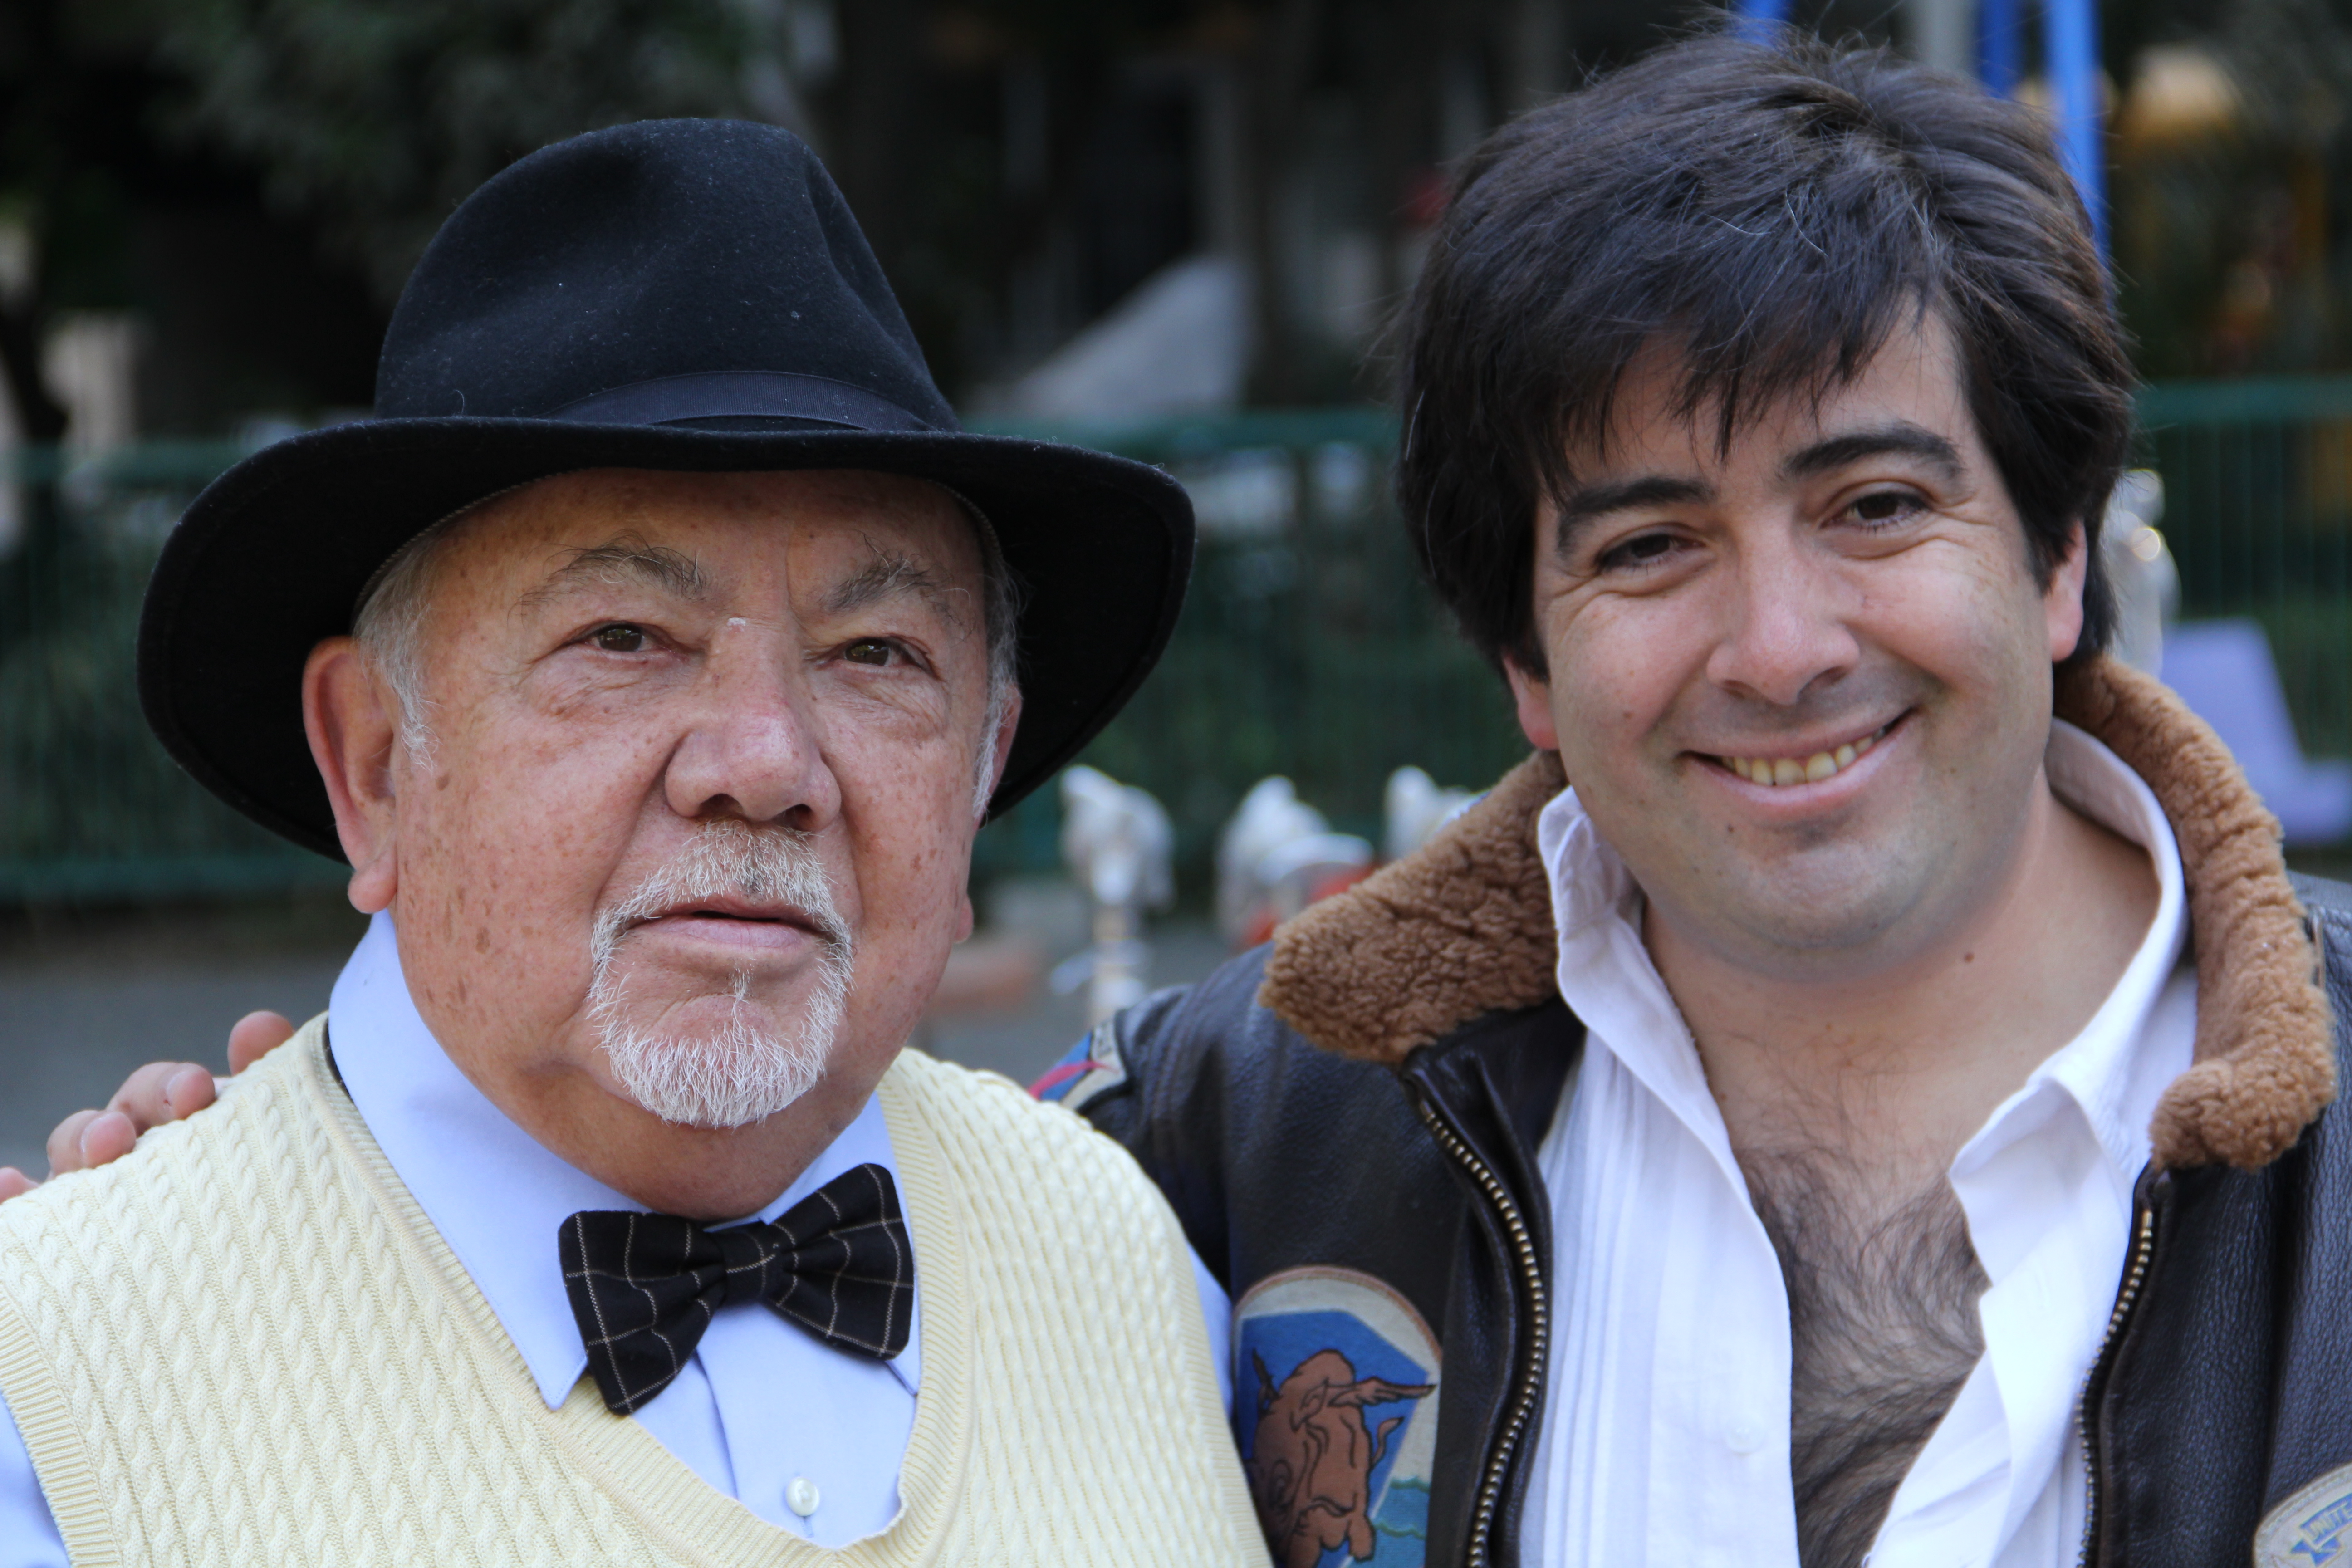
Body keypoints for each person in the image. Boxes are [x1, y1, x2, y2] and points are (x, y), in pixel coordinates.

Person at [41, 30, 2352, 1568]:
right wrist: (223, 1218)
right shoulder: (1265, 1140)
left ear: (2064, 555)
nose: (1777, 642)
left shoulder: (1113, 1246)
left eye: (1876, 504)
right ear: (1521, 662)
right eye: (1646, 543)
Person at [0, 118, 1262, 1567]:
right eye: (623, 637)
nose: (767, 766)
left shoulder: (1140, 1266)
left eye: (877, 653)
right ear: (372, 761)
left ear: (981, 771)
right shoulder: (53, 1403)